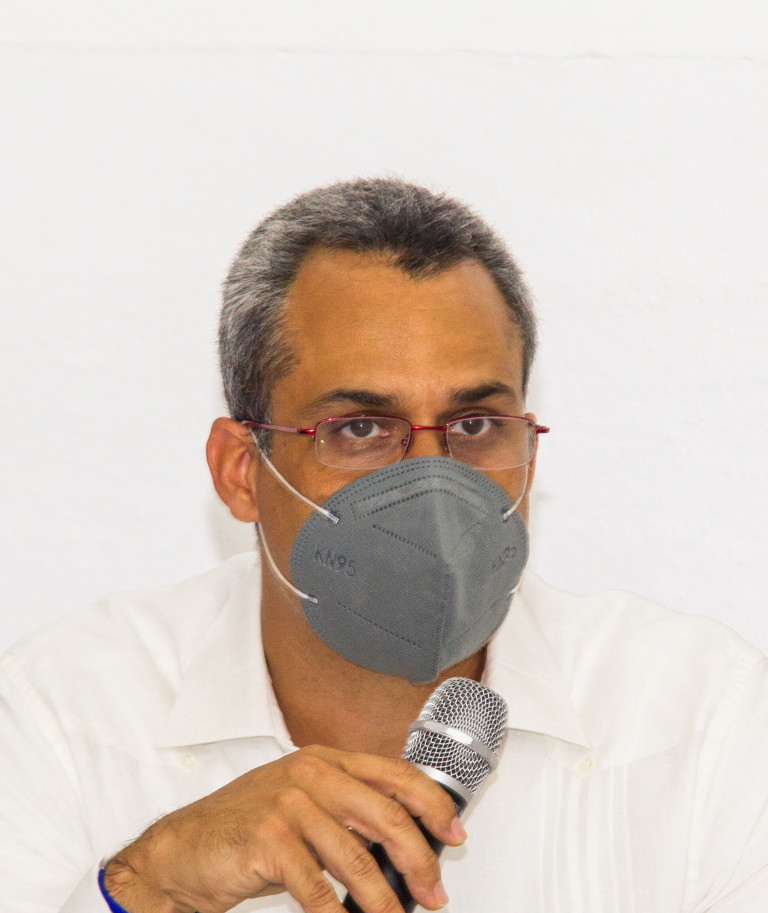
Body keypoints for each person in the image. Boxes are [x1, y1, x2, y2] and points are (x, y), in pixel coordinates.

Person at [2, 178, 768, 913]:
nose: (432, 486)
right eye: (361, 428)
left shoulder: (704, 719)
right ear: (241, 471)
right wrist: (151, 885)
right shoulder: (61, 713)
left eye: (474, 425)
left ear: (530, 454)